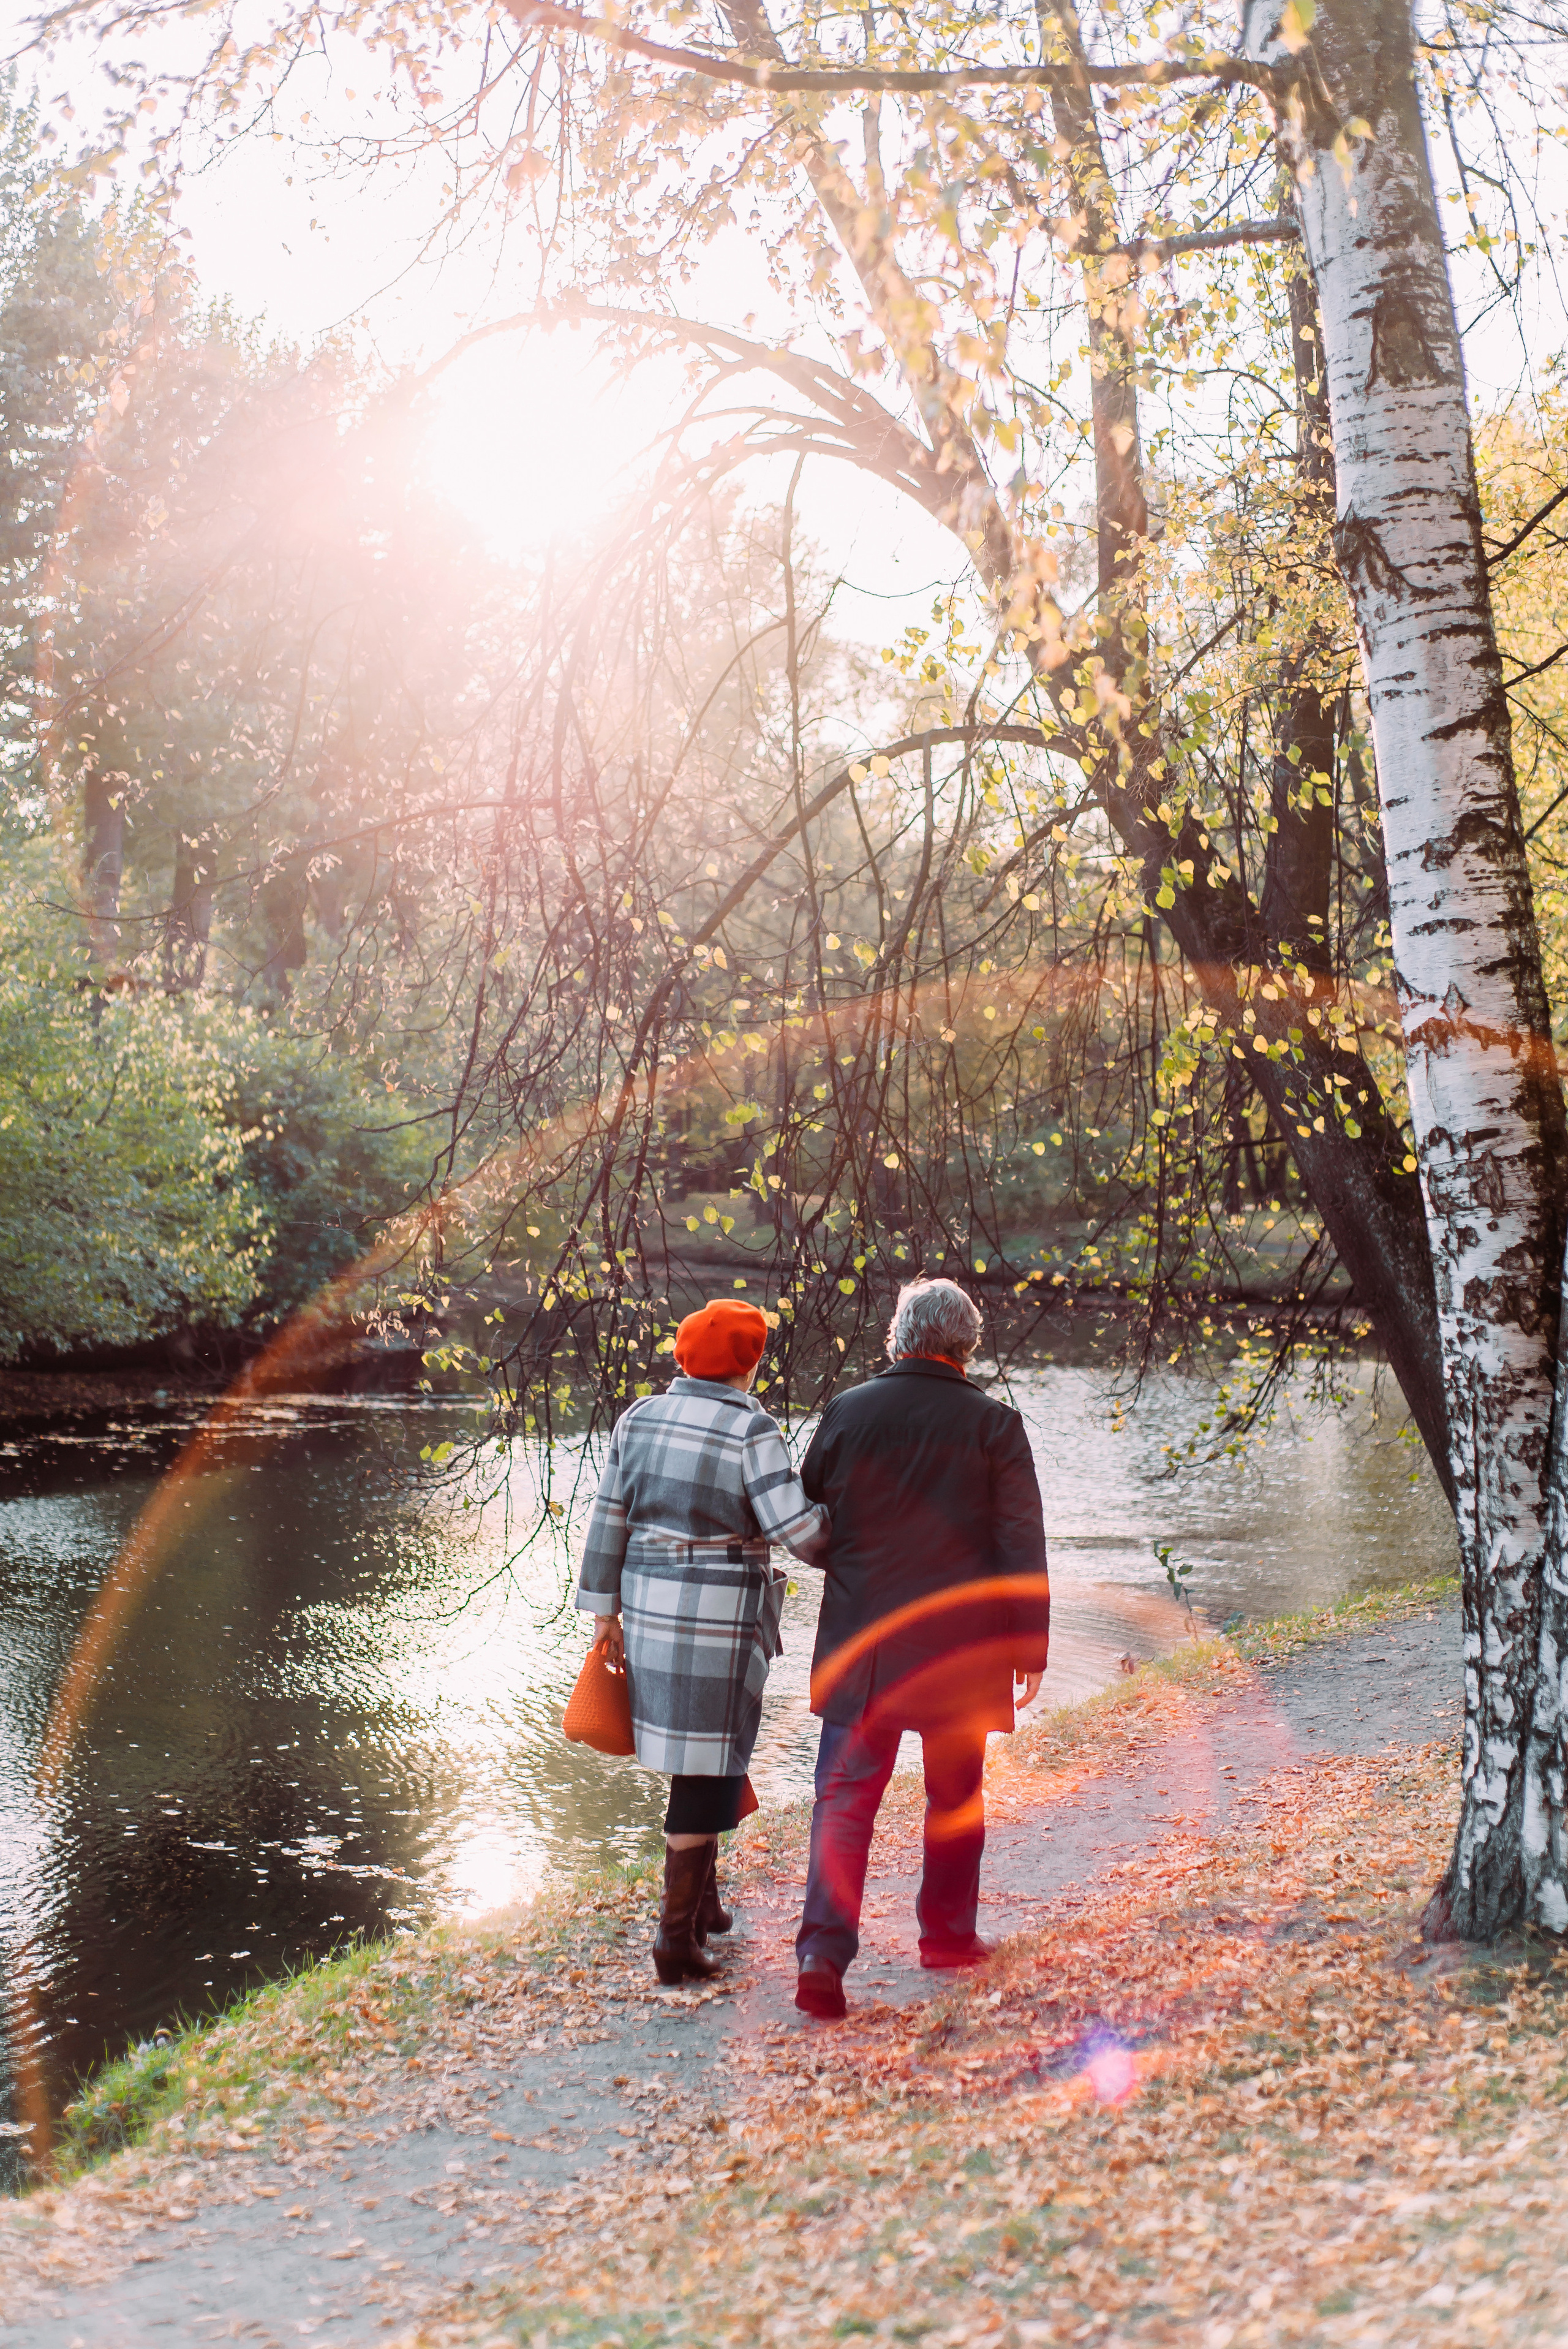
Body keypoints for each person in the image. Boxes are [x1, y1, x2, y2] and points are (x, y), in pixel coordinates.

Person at [793, 1276, 1049, 2019]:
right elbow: (1019, 1545)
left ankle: (821, 1955)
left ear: (899, 1337)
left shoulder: (849, 1410)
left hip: (864, 1647)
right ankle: (945, 1937)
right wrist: (1028, 1649)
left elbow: (811, 1510)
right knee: (954, 1799)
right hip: (959, 1655)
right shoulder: (995, 1424)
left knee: (843, 1803)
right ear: (965, 1344)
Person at [576, 1297, 828, 1985]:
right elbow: (798, 1532)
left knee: (705, 1756)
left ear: (683, 1358)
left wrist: (603, 1612)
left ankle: (706, 1905)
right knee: (704, 1765)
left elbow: (608, 1517)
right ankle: (673, 1940)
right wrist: (850, 1529)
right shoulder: (750, 1426)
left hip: (648, 1603)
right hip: (717, 1612)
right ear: (749, 1362)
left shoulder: (640, 1416)